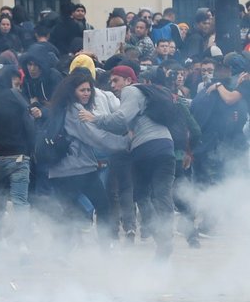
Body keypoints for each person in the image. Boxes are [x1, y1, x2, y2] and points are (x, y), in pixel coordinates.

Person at [79, 66, 176, 260]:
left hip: (146, 149)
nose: (113, 85)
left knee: (141, 194)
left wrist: (94, 119)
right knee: (162, 194)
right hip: (166, 146)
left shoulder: (131, 91)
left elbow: (120, 119)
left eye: (116, 80)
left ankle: (162, 238)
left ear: (129, 80)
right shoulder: (147, 95)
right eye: (111, 81)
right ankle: (166, 238)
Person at [46, 72, 129, 248]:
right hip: (78, 168)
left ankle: (62, 253)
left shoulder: (60, 108)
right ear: (72, 91)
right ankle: (104, 249)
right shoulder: (75, 110)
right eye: (82, 90)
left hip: (58, 170)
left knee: (68, 213)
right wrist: (126, 142)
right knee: (103, 206)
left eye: (89, 90)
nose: (86, 93)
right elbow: (95, 137)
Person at [0, 65, 35, 247]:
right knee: (20, 201)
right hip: (18, 155)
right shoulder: (16, 97)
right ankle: (23, 244)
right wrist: (30, 149)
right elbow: (29, 124)